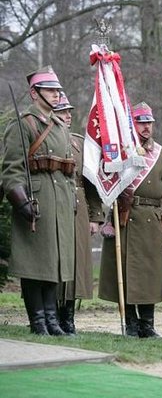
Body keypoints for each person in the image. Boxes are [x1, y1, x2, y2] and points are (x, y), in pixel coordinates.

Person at [1, 66, 75, 335]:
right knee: (36, 264)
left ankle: (53, 322)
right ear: (35, 93)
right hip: (36, 200)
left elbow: (68, 168)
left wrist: (72, 199)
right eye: (50, 91)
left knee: (55, 261)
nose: (56, 95)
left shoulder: (59, 126)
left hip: (61, 203)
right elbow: (11, 169)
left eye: (57, 91)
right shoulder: (23, 124)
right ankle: (38, 322)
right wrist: (21, 202)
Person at [98, 101, 162, 338]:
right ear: (131, 125)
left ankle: (147, 323)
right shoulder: (120, 152)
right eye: (141, 123)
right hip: (124, 218)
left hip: (152, 222)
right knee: (124, 272)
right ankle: (131, 323)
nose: (146, 127)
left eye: (149, 123)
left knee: (149, 275)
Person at [53, 92, 103, 334]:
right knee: (54, 259)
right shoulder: (47, 138)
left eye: (69, 111)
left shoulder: (79, 142)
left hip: (79, 206)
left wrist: (95, 216)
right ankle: (51, 315)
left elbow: (90, 181)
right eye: (63, 111)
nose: (68, 115)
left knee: (76, 262)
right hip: (55, 203)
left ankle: (69, 318)